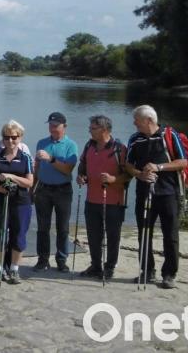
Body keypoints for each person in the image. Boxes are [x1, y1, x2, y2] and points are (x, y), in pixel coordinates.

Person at [125, 105, 187, 289]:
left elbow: (183, 162)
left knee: (171, 235)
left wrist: (159, 167)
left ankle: (169, 274)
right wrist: (139, 174)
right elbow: (127, 165)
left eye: (137, 120)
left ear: (149, 120)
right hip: (144, 193)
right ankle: (147, 270)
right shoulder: (135, 139)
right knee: (144, 233)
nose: (134, 123)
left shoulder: (169, 135)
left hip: (168, 193)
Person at [76, 115, 130, 280]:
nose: (89, 131)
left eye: (93, 128)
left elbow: (128, 175)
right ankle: (96, 266)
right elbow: (82, 167)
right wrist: (81, 177)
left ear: (105, 130)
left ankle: (110, 267)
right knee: (93, 235)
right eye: (90, 128)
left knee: (113, 236)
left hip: (114, 201)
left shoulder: (120, 149)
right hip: (91, 199)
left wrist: (114, 180)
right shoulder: (89, 146)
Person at [0, 121, 34, 285]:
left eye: (14, 137)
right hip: (1, 199)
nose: (11, 141)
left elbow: (29, 183)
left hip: (21, 201)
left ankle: (14, 270)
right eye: (7, 137)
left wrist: (11, 177)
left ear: (20, 138)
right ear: (3, 138)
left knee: (18, 235)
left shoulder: (25, 157)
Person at [33, 112, 78, 272]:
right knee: (42, 227)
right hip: (43, 189)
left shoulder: (71, 145)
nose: (52, 128)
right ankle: (43, 259)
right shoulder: (41, 143)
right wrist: (33, 188)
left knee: (63, 227)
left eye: (56, 125)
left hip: (63, 190)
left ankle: (61, 260)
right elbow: (37, 168)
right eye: (50, 125)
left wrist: (51, 159)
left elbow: (67, 170)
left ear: (64, 127)